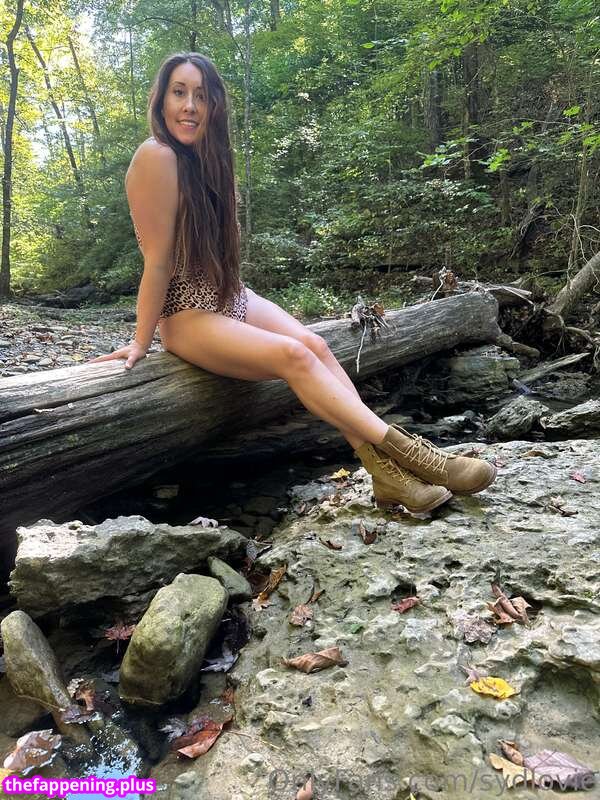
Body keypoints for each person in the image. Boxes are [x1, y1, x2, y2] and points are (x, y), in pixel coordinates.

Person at [90, 52, 496, 514]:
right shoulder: (156, 156)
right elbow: (158, 262)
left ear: (214, 105)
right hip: (185, 313)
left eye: (200, 96)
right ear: (161, 100)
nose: (190, 106)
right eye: (179, 93)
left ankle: (386, 476)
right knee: (295, 356)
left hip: (227, 295)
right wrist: (140, 341)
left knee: (315, 344)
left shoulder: (208, 160)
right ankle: (423, 458)